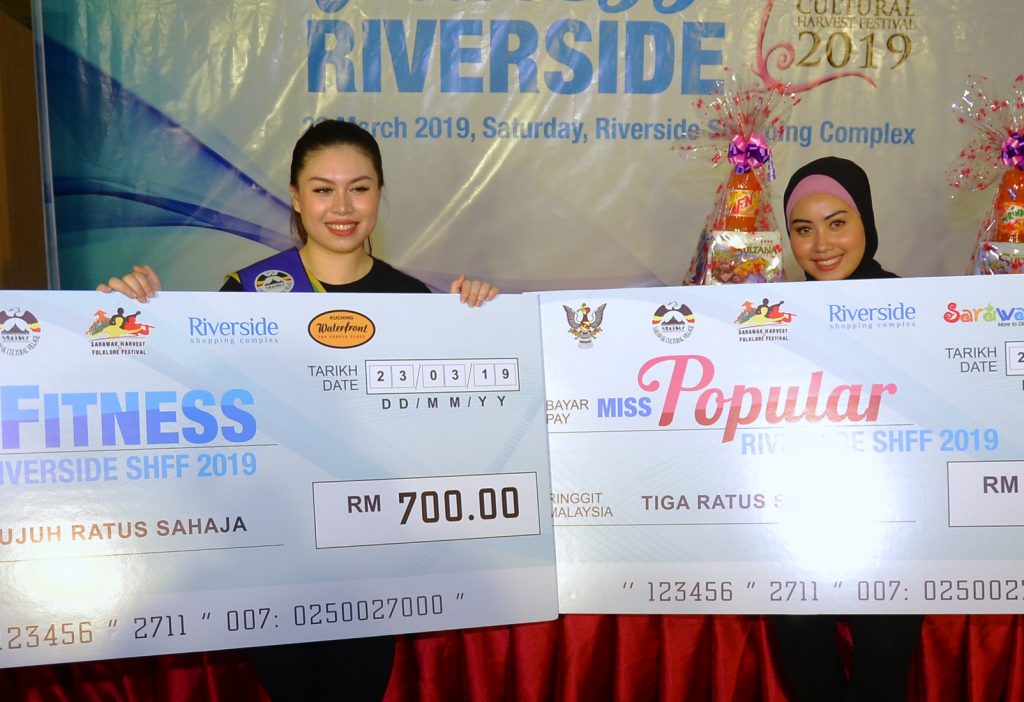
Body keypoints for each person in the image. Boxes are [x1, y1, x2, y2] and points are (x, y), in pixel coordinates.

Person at [100, 119, 498, 701]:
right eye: (322, 189)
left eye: (359, 188)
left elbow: (451, 429)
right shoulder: (245, 295)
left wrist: (482, 324)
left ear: (380, 195)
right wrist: (134, 317)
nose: (342, 207)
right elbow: (187, 415)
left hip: (370, 565)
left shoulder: (415, 302)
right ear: (295, 196)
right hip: (274, 563)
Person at [772, 156, 921, 702]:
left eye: (837, 223)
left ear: (866, 222)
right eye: (803, 229)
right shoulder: (769, 316)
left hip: (896, 528)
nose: (821, 245)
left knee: (883, 673)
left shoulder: (914, 311)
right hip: (796, 525)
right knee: (802, 656)